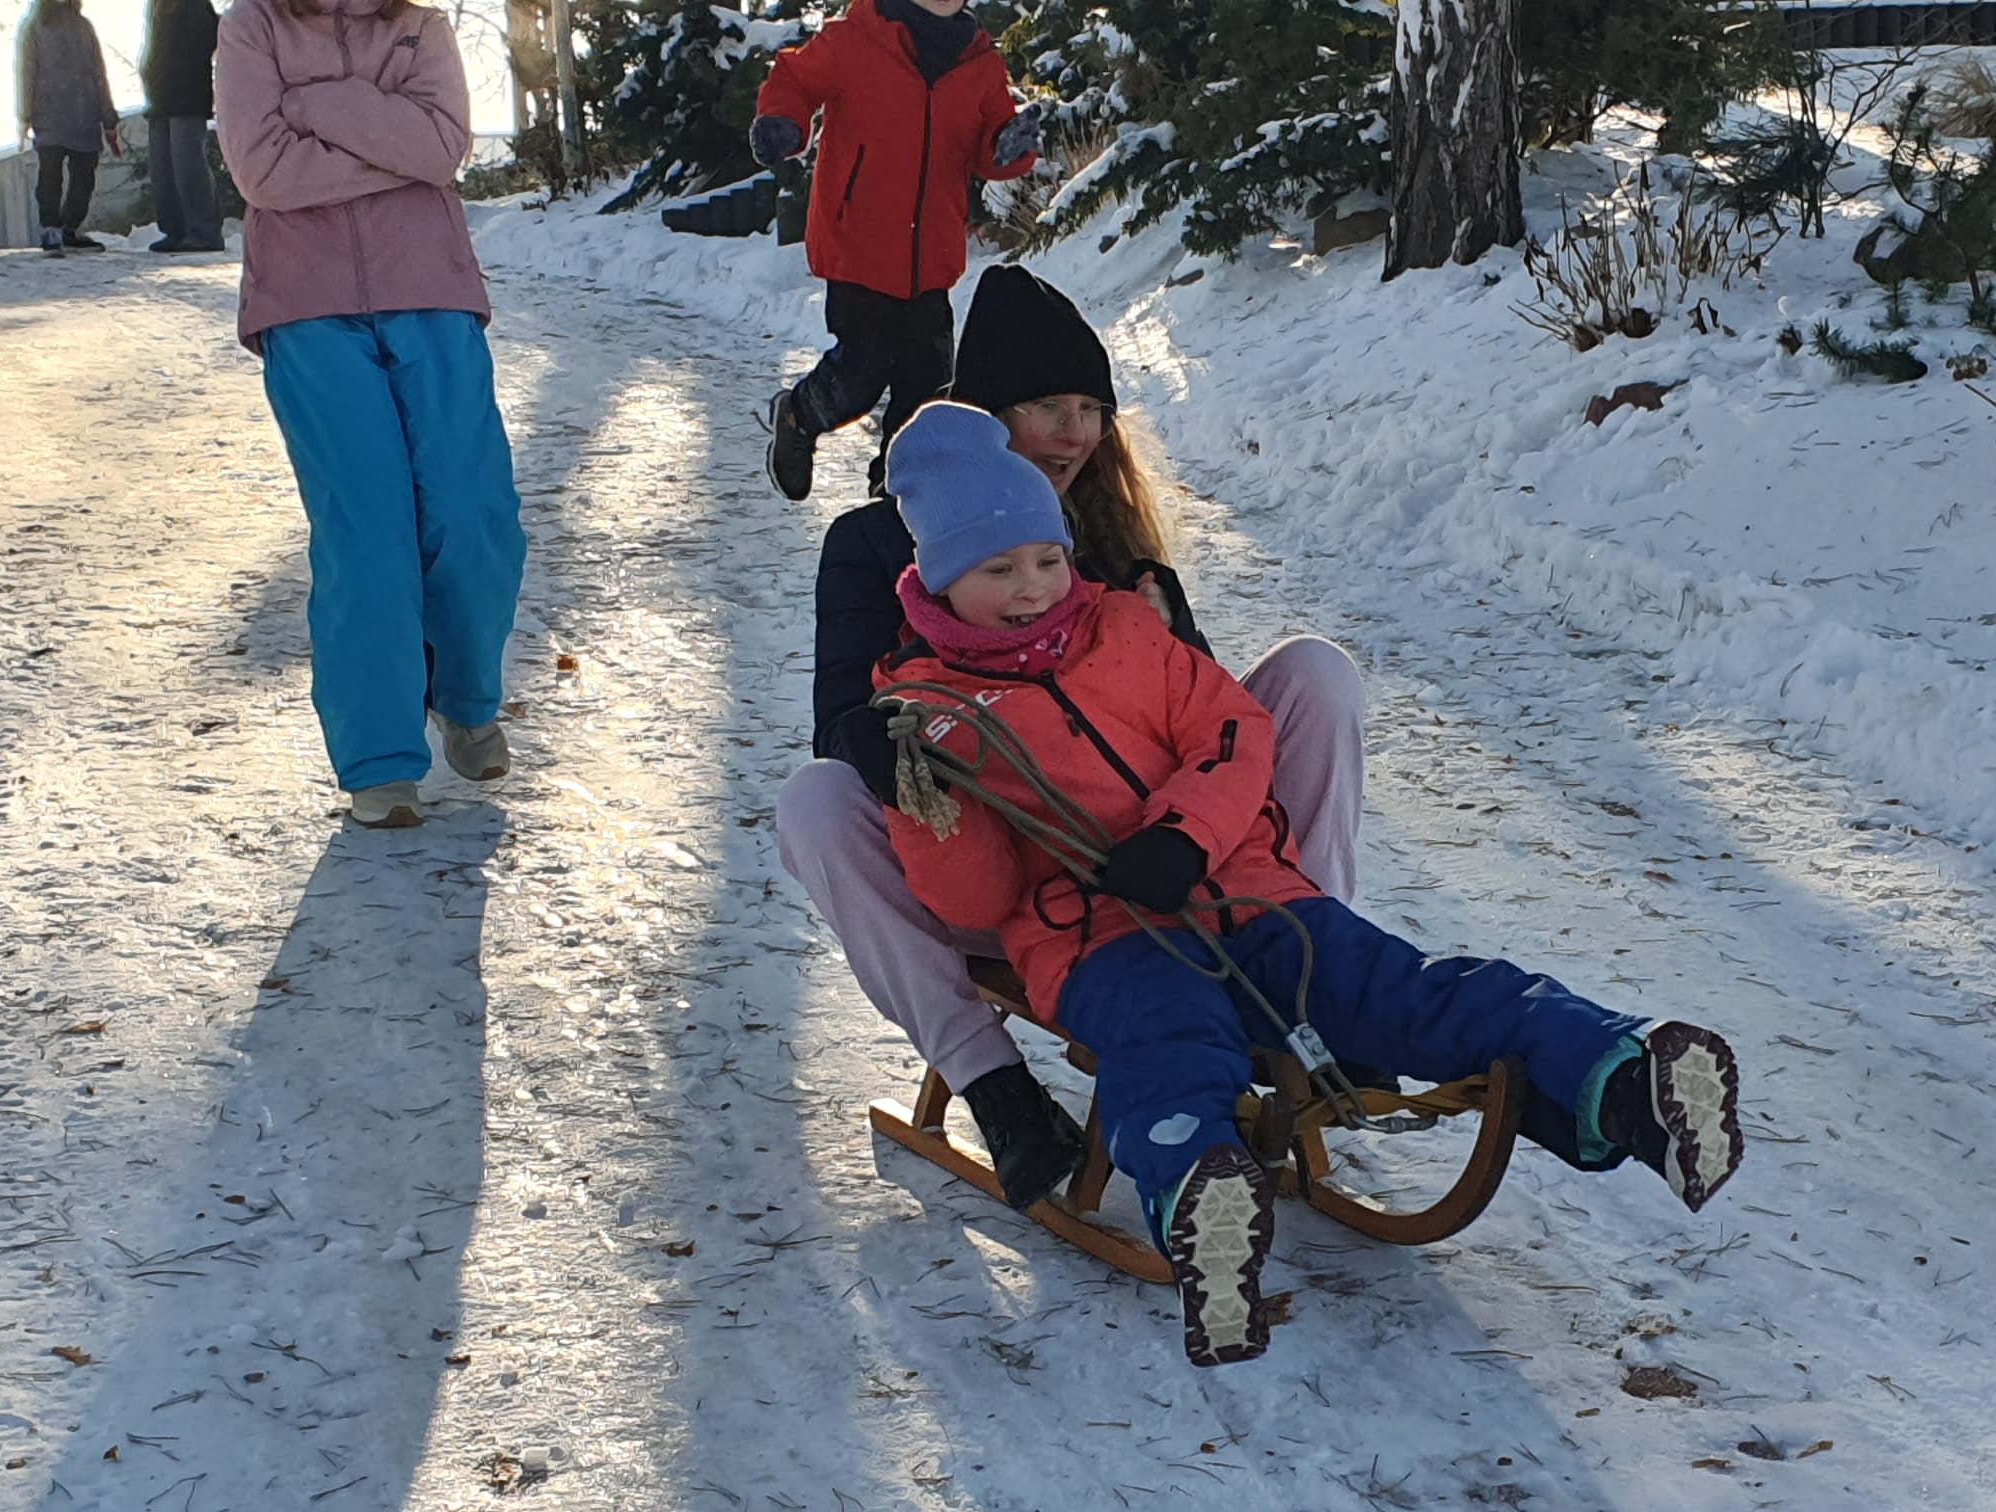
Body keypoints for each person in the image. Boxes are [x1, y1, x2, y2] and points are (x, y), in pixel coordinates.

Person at [872, 401, 1746, 1367]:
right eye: (998, 570)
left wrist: (1186, 835)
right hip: (1099, 941)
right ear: (942, 579)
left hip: (1248, 890)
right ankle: (1201, 1198)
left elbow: (1232, 731)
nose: (1033, 588)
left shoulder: (1124, 628)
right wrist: (925, 799)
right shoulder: (931, 711)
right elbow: (974, 902)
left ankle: (1623, 1077)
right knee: (1167, 1043)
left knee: (1397, 987)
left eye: (1046, 558)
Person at [777, 264, 1368, 1215]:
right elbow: (840, 724)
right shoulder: (870, 544)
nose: (1077, 433)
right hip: (1003, 872)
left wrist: (1172, 631)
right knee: (814, 801)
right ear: (981, 417)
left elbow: (1208, 722)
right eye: (1049, 406)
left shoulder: (1109, 539)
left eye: (1093, 410)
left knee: (1315, 673)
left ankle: (1315, 977)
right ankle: (996, 1088)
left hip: (1163, 860)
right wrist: (921, 715)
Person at [215, 0, 526, 828]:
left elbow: (442, 148)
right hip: (305, 306)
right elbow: (263, 172)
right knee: (367, 527)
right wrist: (392, 139)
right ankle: (380, 754)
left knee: (473, 511)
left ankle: (464, 699)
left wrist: (319, 104)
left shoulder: (422, 26)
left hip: (432, 291)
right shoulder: (254, 27)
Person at [748, 0, 1042, 501]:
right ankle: (798, 416)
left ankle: (897, 498)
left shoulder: (980, 62)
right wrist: (783, 120)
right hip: (858, 245)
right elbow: (794, 79)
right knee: (861, 376)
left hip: (931, 258)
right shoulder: (856, 37)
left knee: (929, 395)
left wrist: (1009, 149)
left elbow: (989, 143)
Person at [15, 0, 122, 257]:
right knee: (50, 177)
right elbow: (25, 73)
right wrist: (24, 115)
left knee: (84, 178)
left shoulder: (83, 26)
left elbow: (99, 74)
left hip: (85, 114)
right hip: (49, 114)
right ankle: (51, 230)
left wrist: (108, 118)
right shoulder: (34, 26)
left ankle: (69, 228)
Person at [141, 0, 223, 253]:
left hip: (187, 97)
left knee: (188, 166)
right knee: (162, 170)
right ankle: (175, 230)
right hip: (160, 98)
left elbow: (211, 38)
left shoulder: (195, 5)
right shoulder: (155, 6)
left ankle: (204, 231)